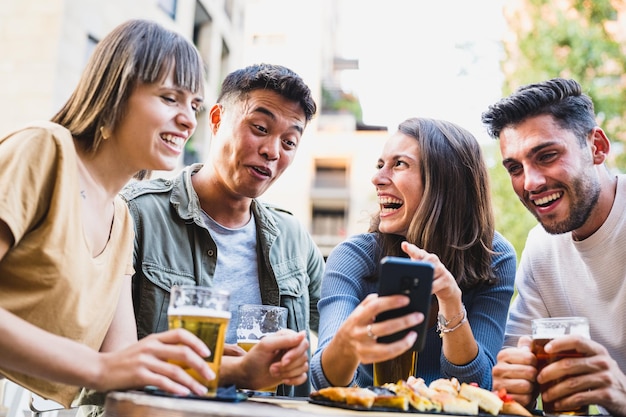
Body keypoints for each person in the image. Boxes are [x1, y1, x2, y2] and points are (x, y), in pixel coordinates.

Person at [120, 63, 323, 396]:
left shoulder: (293, 237)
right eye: (259, 128)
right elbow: (107, 358)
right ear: (216, 119)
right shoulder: (137, 213)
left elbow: (335, 344)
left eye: (289, 143)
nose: (272, 151)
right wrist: (235, 371)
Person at [310, 117, 517, 390]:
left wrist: (451, 302)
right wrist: (348, 343)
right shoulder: (353, 256)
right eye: (380, 165)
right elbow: (324, 380)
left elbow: (479, 383)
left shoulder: (494, 257)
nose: (377, 179)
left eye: (399, 164)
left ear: (445, 181)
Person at [481, 78, 626, 415]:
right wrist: (514, 385)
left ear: (597, 147)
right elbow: (512, 368)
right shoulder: (541, 247)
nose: (530, 183)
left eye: (546, 156)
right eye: (515, 168)